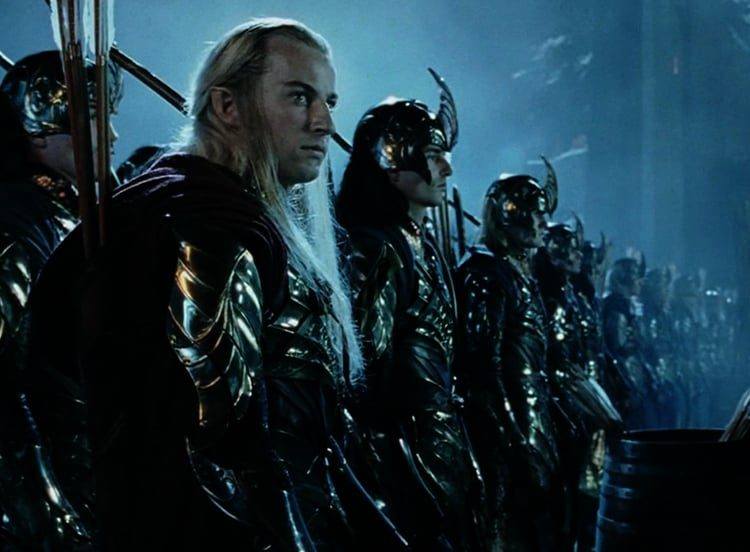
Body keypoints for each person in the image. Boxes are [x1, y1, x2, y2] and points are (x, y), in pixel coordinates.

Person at [32, 19, 401, 550]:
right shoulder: (208, 223)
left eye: (329, 101)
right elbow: (214, 452)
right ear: (228, 106)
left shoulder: (225, 210)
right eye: (300, 97)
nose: (323, 122)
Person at [336, 74, 483, 550]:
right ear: (393, 159)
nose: (447, 168)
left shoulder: (424, 247)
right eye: (434, 154)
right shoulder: (376, 252)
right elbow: (363, 386)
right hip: (403, 461)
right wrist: (395, 480)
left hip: (443, 442)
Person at [0, 51, 122, 549]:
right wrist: (41, 494)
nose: (111, 136)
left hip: (99, 469)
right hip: (44, 484)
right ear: (38, 125)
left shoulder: (76, 218)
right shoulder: (18, 223)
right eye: (93, 117)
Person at [454, 169, 562, 551]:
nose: (543, 222)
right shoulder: (486, 276)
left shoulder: (518, 274)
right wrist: (515, 439)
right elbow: (484, 371)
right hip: (500, 437)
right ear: (509, 214)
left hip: (532, 425)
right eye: (535, 213)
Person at [534, 219, 620, 550]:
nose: (577, 257)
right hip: (565, 408)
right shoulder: (550, 298)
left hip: (586, 404)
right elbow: (557, 359)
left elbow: (592, 349)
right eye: (568, 249)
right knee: (568, 494)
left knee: (588, 490)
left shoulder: (575, 296)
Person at [602, 257, 656, 429]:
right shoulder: (616, 306)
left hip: (633, 378)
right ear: (622, 278)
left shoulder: (628, 305)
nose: (640, 282)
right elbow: (617, 346)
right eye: (635, 275)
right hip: (622, 380)